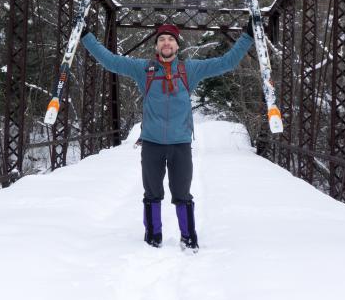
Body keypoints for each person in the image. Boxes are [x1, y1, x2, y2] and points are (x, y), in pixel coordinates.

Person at [80, 20, 254, 250]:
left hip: (180, 145)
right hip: (151, 144)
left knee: (182, 193)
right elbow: (111, 61)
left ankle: (188, 237)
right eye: (161, 39)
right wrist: (85, 36)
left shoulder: (189, 69)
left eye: (170, 39)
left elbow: (227, 63)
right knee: (152, 193)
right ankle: (153, 236)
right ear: (156, 47)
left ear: (177, 46)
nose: (166, 43)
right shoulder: (145, 69)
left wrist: (248, 36)